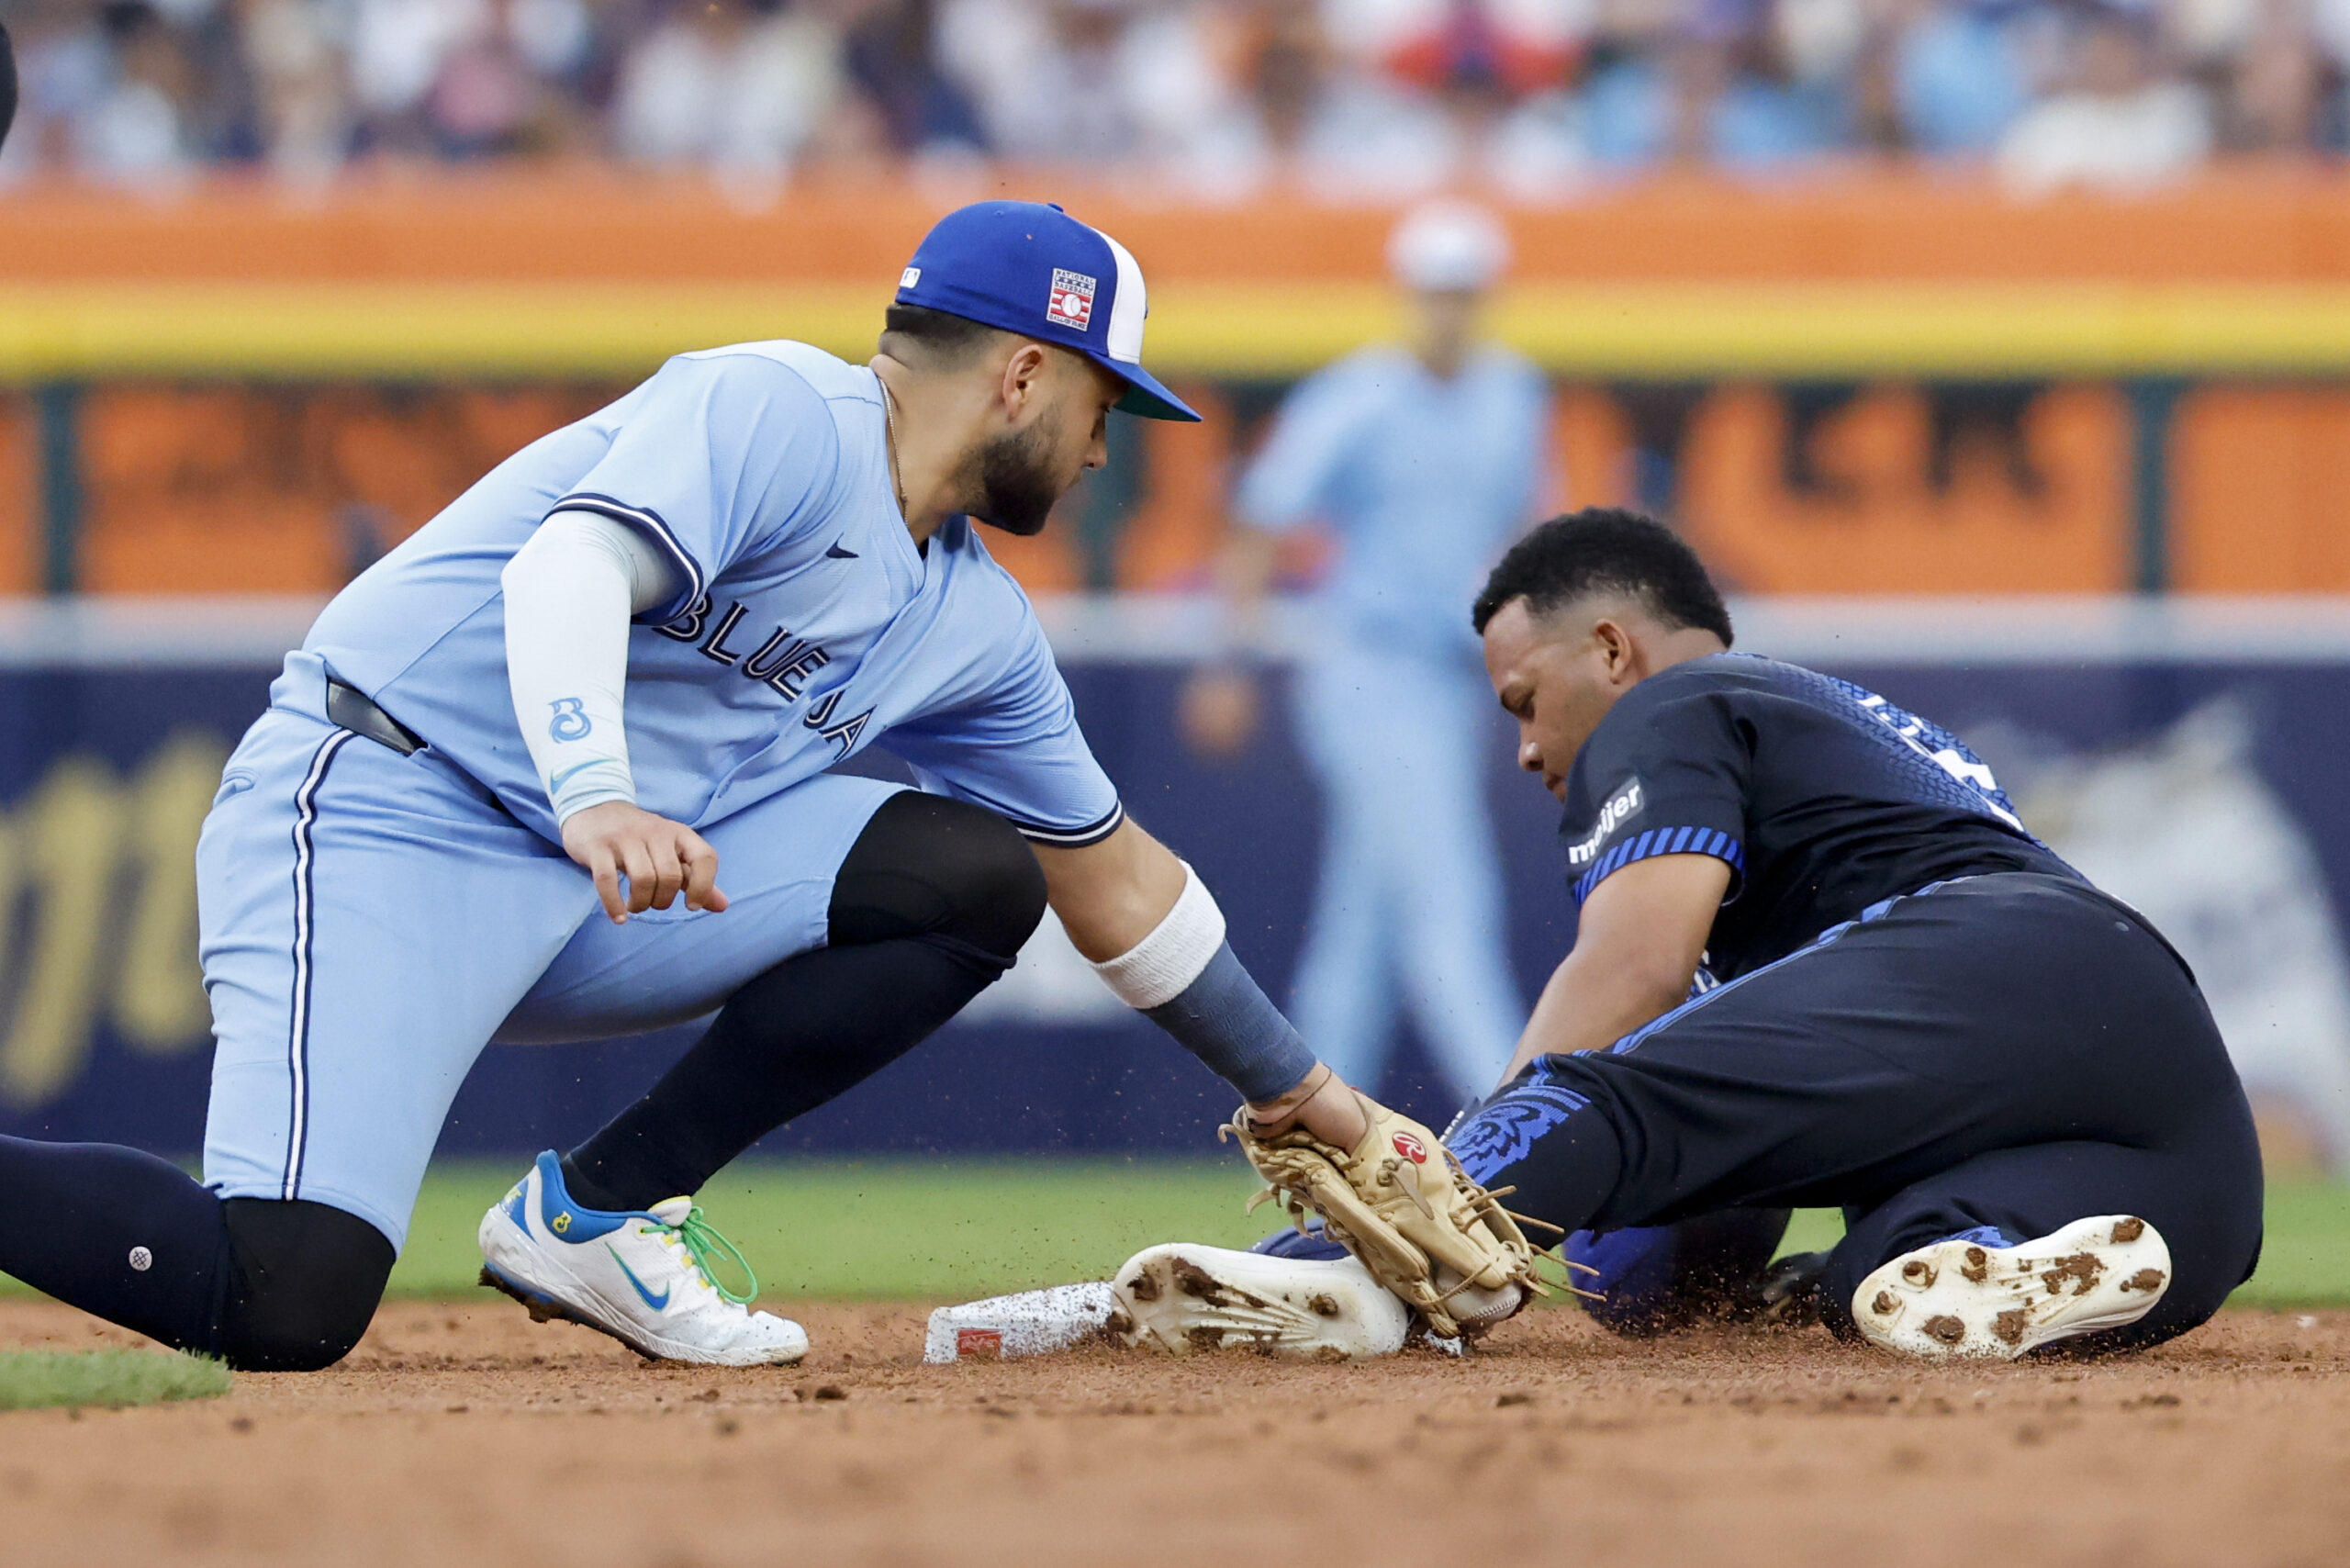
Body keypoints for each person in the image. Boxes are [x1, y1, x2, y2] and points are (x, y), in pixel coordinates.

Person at [0, 200, 1416, 1371]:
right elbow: (568, 567)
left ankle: (602, 1214)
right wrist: (595, 786)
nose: (1108, 446)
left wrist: (1327, 1104)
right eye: (1106, 400)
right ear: (1026, 374)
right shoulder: (778, 409)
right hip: (382, 807)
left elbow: (1117, 883)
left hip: (594, 881)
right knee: (284, 1298)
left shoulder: (976, 623)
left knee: (973, 879)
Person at [1445, 508, 2263, 1359]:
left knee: (1614, 1143)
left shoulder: (1668, 702)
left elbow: (1637, 967)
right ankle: (1995, 1252)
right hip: (2185, 1151)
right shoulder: (1859, 733)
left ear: (1612, 651)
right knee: (1878, 1281)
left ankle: (1355, 1260)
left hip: (1985, 950)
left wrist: (1458, 1170)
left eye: (1526, 702)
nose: (1527, 749)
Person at [1182, 199, 1548, 1108]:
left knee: (1365, 932)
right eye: (1435, 291)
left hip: (1451, 678)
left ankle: (1300, 1124)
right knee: (1447, 902)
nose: (1449, 309)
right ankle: (1517, 1123)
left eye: (1463, 292)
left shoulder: (1513, 392)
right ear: (1408, 293)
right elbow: (1261, 517)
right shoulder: (1359, 393)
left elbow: (1527, 532)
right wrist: (1228, 659)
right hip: (1367, 669)